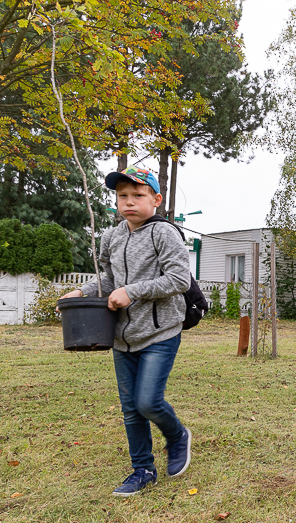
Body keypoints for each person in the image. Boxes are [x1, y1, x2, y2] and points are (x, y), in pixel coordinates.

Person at [59, 167, 192, 495]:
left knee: (147, 402)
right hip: (121, 336)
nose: (129, 202)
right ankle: (143, 469)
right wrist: (82, 292)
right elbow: (109, 279)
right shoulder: (112, 236)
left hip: (160, 333)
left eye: (138, 195)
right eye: (122, 196)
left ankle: (177, 436)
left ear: (156, 199)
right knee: (131, 408)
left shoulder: (164, 234)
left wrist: (133, 291)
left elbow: (179, 280)